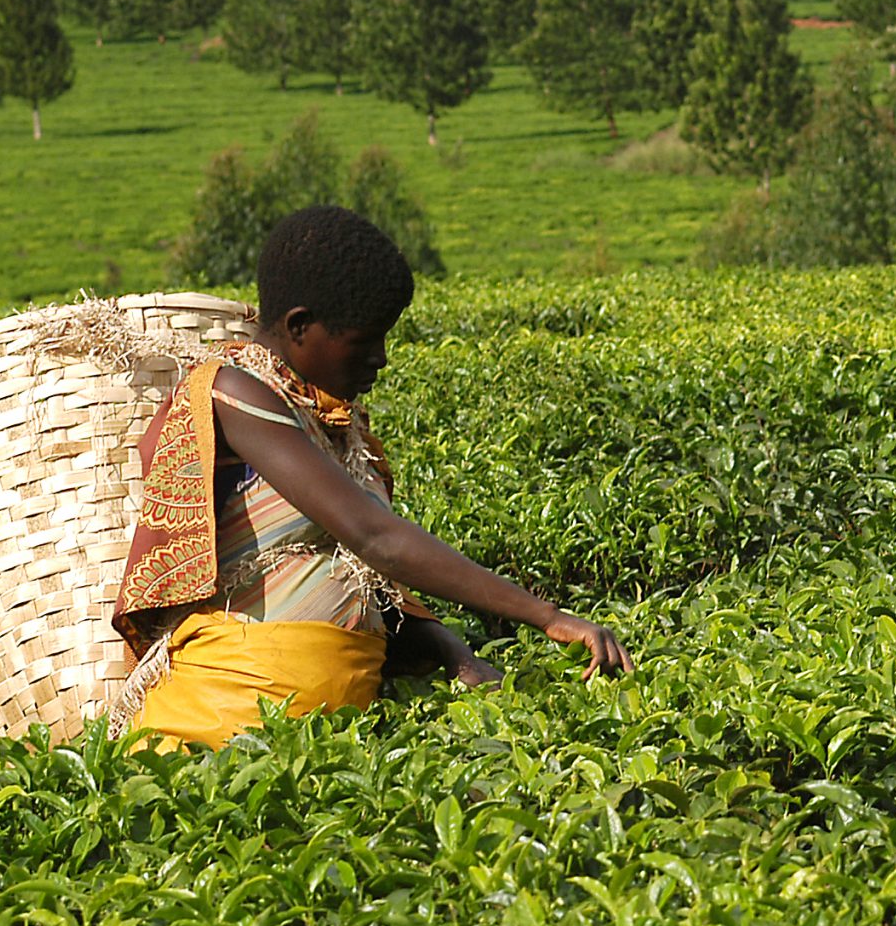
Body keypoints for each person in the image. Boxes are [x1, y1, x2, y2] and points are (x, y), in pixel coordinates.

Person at [115, 204, 633, 747]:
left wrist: (454, 654)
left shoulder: (332, 423)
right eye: (364, 342)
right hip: (220, 724)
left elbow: (361, 576)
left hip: (323, 738)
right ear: (298, 326)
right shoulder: (236, 392)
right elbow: (376, 539)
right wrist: (545, 615)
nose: (381, 360)